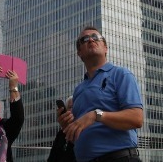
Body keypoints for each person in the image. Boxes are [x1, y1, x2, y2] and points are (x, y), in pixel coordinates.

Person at [60, 26, 143, 162]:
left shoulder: (121, 74)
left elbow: (136, 118)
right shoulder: (78, 90)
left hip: (119, 158)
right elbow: (78, 134)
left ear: (105, 48)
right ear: (79, 52)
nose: (91, 40)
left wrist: (96, 115)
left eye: (96, 37)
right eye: (84, 39)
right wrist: (66, 126)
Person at [48, 96, 76, 162]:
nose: (73, 110)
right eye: (71, 107)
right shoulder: (61, 134)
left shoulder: (86, 132)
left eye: (76, 107)